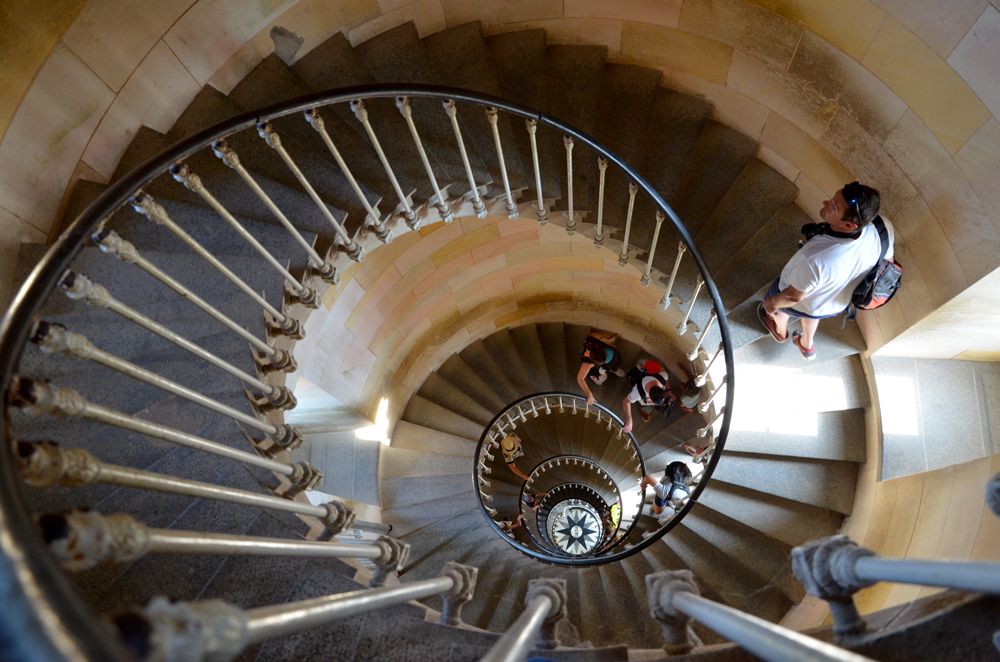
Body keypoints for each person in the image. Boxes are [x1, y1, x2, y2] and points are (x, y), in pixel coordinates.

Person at [758, 181, 895, 360]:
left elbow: (792, 296)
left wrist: (772, 304)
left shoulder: (817, 259)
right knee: (813, 310)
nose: (825, 203)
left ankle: (779, 328)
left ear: (849, 226)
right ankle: (807, 345)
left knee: (781, 307)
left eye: (833, 207)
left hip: (805, 297)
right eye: (833, 198)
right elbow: (888, 261)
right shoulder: (883, 227)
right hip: (835, 302)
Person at [621, 359, 693, 433]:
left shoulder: (663, 375)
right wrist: (629, 419)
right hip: (638, 381)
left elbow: (666, 381)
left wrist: (668, 391)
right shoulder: (638, 392)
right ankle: (642, 409)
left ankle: (645, 408)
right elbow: (626, 401)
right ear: (649, 397)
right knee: (641, 403)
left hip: (648, 375)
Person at [576, 330, 625, 405]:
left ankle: (613, 370)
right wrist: (589, 394)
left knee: (608, 369)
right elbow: (580, 378)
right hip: (613, 358)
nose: (586, 353)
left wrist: (607, 336)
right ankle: (614, 370)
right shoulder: (588, 361)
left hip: (612, 359)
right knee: (611, 368)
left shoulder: (591, 342)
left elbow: (580, 378)